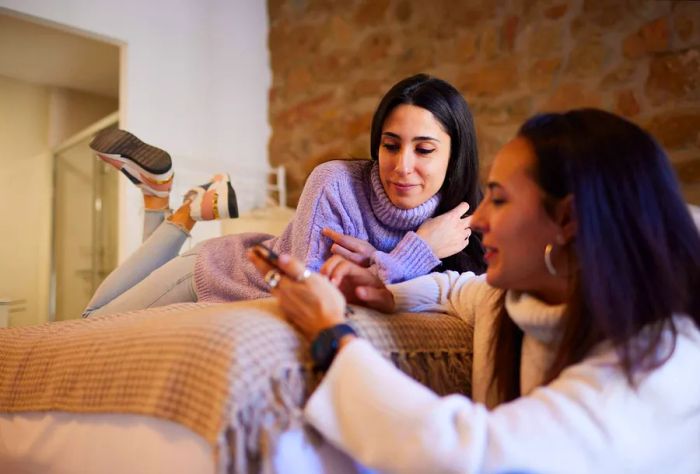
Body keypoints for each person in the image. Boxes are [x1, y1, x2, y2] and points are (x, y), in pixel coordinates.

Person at [248, 108, 700, 473]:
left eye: (499, 199)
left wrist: (332, 332)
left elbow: (476, 458)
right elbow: (458, 288)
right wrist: (389, 294)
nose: (478, 221)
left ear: (567, 221)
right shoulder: (513, 301)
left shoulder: (656, 365)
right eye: (391, 145)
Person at [82, 73, 486, 317]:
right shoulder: (336, 183)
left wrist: (400, 256)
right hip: (217, 274)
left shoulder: (460, 224)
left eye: (425, 149)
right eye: (391, 145)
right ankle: (180, 213)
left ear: (455, 154)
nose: (402, 166)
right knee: (92, 320)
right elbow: (304, 289)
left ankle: (167, 204)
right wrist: (417, 250)